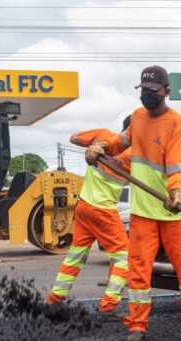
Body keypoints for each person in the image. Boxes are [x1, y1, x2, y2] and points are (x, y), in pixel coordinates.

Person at [86, 65, 181, 341]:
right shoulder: (137, 118)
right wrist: (98, 147)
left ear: (166, 92)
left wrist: (175, 191)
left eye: (153, 91)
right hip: (143, 212)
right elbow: (119, 143)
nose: (147, 96)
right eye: (144, 91)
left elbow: (176, 165)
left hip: (174, 213)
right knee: (138, 270)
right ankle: (136, 326)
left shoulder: (177, 123)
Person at [46, 117, 132, 319]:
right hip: (102, 211)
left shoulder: (103, 134)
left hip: (83, 207)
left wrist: (96, 143)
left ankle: (54, 300)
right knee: (124, 258)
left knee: (75, 256)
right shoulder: (135, 154)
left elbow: (74, 138)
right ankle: (108, 307)